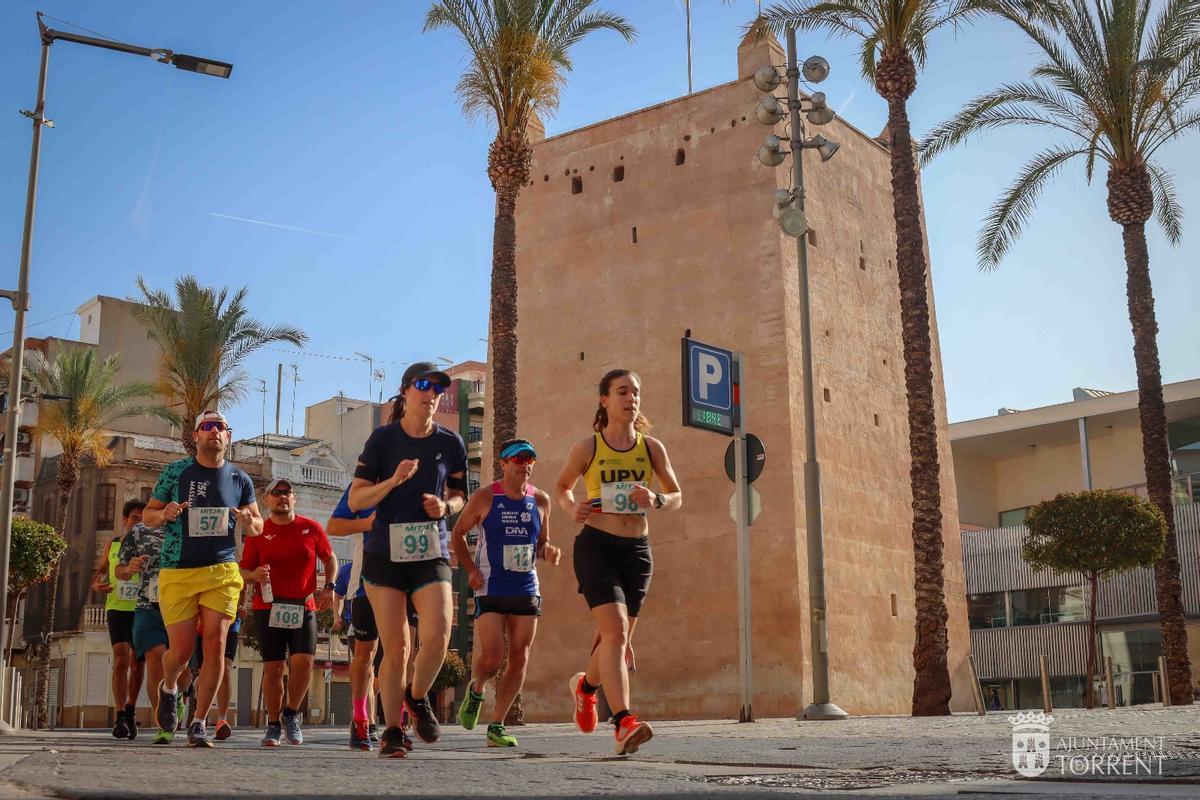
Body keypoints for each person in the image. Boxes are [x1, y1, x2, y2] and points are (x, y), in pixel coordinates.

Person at [553, 369, 681, 755]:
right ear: (604, 400)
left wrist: (656, 499)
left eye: (636, 392)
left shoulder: (652, 448)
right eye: (622, 391)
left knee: (618, 639)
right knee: (616, 634)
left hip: (638, 553)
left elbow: (676, 495)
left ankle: (585, 687)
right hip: (596, 546)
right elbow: (561, 487)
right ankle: (624, 721)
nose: (631, 398)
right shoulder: (586, 448)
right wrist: (572, 507)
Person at [348, 362, 467, 758]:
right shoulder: (382, 441)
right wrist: (393, 481)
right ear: (405, 392)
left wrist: (446, 507)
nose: (430, 393)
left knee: (438, 635)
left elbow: (460, 495)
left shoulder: (452, 444)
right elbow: (356, 500)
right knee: (396, 647)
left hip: (429, 549)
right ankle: (394, 731)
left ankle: (417, 698)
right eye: (422, 385)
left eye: (437, 387)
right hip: (385, 554)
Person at [142, 410, 262, 748]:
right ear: (196, 435)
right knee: (179, 652)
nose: (214, 432)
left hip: (222, 570)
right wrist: (162, 513)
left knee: (216, 644)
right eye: (207, 427)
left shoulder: (240, 478)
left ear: (228, 436)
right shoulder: (175, 472)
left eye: (220, 427)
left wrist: (246, 521)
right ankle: (169, 689)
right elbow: (150, 515)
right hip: (178, 570)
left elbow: (258, 525)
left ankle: (198, 723)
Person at [452, 438, 560, 747]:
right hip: (490, 586)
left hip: (526, 587)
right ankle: (476, 688)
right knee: (493, 657)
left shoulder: (541, 500)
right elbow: (458, 534)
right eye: (519, 460)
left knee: (520, 657)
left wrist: (547, 551)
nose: (525, 465)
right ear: (504, 464)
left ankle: (496, 725)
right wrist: (471, 570)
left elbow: (541, 544)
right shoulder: (486, 497)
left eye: (530, 460)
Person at [240, 477, 336, 747]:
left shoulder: (311, 528)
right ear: (266, 500)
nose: (282, 496)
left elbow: (330, 558)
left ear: (294, 498)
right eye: (276, 493)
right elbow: (242, 570)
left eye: (287, 492)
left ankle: (291, 713)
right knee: (273, 668)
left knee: (303, 663)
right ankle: (272, 725)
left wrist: (329, 586)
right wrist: (254, 574)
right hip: (268, 606)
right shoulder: (259, 532)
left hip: (303, 604)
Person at [116, 515, 193, 745]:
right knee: (155, 661)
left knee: (185, 666)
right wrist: (129, 568)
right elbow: (120, 570)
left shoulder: (193, 527)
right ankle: (165, 725)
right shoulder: (139, 531)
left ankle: (176, 694)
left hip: (184, 604)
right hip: (149, 605)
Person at [92, 500, 147, 740]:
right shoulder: (113, 546)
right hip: (117, 608)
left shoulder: (151, 546)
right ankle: (120, 714)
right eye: (135, 518)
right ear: (125, 521)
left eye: (143, 518)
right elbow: (101, 570)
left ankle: (131, 709)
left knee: (137, 664)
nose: (139, 522)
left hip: (143, 608)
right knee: (121, 659)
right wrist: (96, 583)